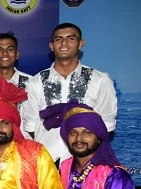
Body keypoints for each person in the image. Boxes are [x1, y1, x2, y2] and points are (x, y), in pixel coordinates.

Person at [23, 22, 118, 164]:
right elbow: (30, 127)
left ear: (81, 44)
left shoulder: (100, 80)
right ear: (51, 46)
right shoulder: (35, 83)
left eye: (71, 38)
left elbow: (106, 126)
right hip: (46, 162)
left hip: (87, 163)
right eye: (58, 39)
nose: (64, 43)